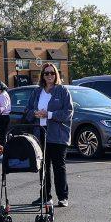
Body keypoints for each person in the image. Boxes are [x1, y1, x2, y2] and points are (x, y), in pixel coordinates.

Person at [22, 63, 74, 208]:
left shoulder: (63, 91)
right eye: (46, 73)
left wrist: (49, 114)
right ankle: (45, 196)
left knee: (59, 167)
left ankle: (63, 197)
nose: (49, 75)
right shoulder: (37, 92)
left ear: (56, 74)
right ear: (42, 76)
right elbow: (27, 110)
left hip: (58, 136)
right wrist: (34, 113)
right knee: (43, 166)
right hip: (40, 134)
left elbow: (68, 113)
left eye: (52, 73)